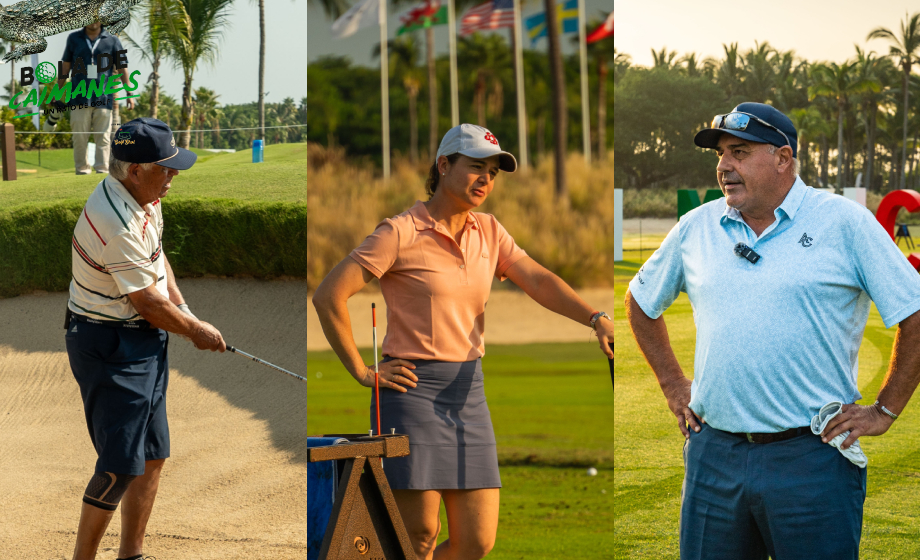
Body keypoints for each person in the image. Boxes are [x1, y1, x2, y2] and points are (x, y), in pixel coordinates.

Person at [625, 102, 920, 560]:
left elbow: (915, 310)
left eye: (739, 152)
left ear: (783, 159)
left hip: (812, 459)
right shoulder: (696, 226)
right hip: (713, 457)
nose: (724, 166)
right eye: (721, 154)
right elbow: (641, 302)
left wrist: (885, 410)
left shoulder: (844, 222)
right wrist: (671, 384)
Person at [312, 124, 614, 560]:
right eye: (476, 168)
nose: (485, 180)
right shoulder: (399, 231)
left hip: (469, 393)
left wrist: (595, 317)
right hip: (410, 391)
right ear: (443, 165)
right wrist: (362, 371)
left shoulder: (489, 231)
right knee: (418, 537)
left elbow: (538, 280)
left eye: (492, 172)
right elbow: (328, 296)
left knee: (477, 541)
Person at [65, 117, 226, 560]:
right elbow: (148, 303)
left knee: (153, 454)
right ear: (134, 169)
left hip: (142, 341)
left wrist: (186, 309)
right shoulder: (113, 221)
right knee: (119, 465)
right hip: (109, 345)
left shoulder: (145, 196)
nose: (174, 175)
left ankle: (131, 555)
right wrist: (197, 331)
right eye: (166, 167)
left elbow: (156, 258)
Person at [58, 22, 136, 175]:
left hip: (104, 98)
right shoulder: (74, 38)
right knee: (79, 138)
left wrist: (129, 93)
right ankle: (82, 170)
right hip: (78, 98)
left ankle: (102, 169)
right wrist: (57, 92)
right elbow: (65, 66)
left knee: (104, 138)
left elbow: (122, 67)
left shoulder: (112, 40)